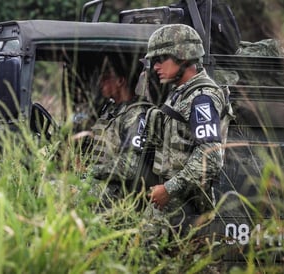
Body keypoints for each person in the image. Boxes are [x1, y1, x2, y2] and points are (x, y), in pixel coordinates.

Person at [141, 24, 235, 241]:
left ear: (183, 57)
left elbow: (210, 157)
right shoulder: (180, 94)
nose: (155, 66)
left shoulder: (201, 98)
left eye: (161, 59)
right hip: (171, 203)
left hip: (183, 205)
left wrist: (169, 189)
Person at [81, 57, 152, 211]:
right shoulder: (112, 109)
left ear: (120, 81)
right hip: (101, 183)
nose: (101, 82)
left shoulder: (135, 114)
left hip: (119, 193)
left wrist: (90, 171)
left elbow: (129, 166)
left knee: (55, 190)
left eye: (106, 77)